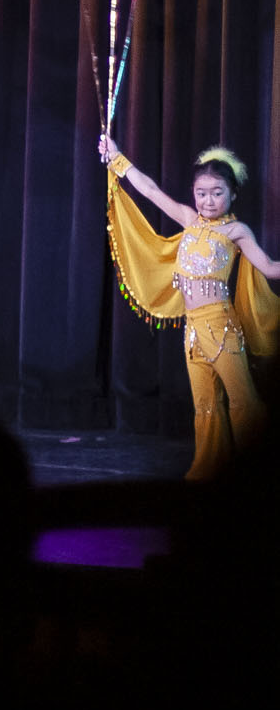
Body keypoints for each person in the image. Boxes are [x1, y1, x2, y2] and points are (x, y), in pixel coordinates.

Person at [100, 136, 280, 479]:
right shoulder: (189, 219)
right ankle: (209, 472)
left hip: (221, 327)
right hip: (193, 330)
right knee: (206, 406)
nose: (208, 201)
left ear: (232, 194)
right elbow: (150, 190)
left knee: (243, 402)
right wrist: (117, 157)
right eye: (201, 193)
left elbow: (270, 267)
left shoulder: (236, 231)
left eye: (217, 193)